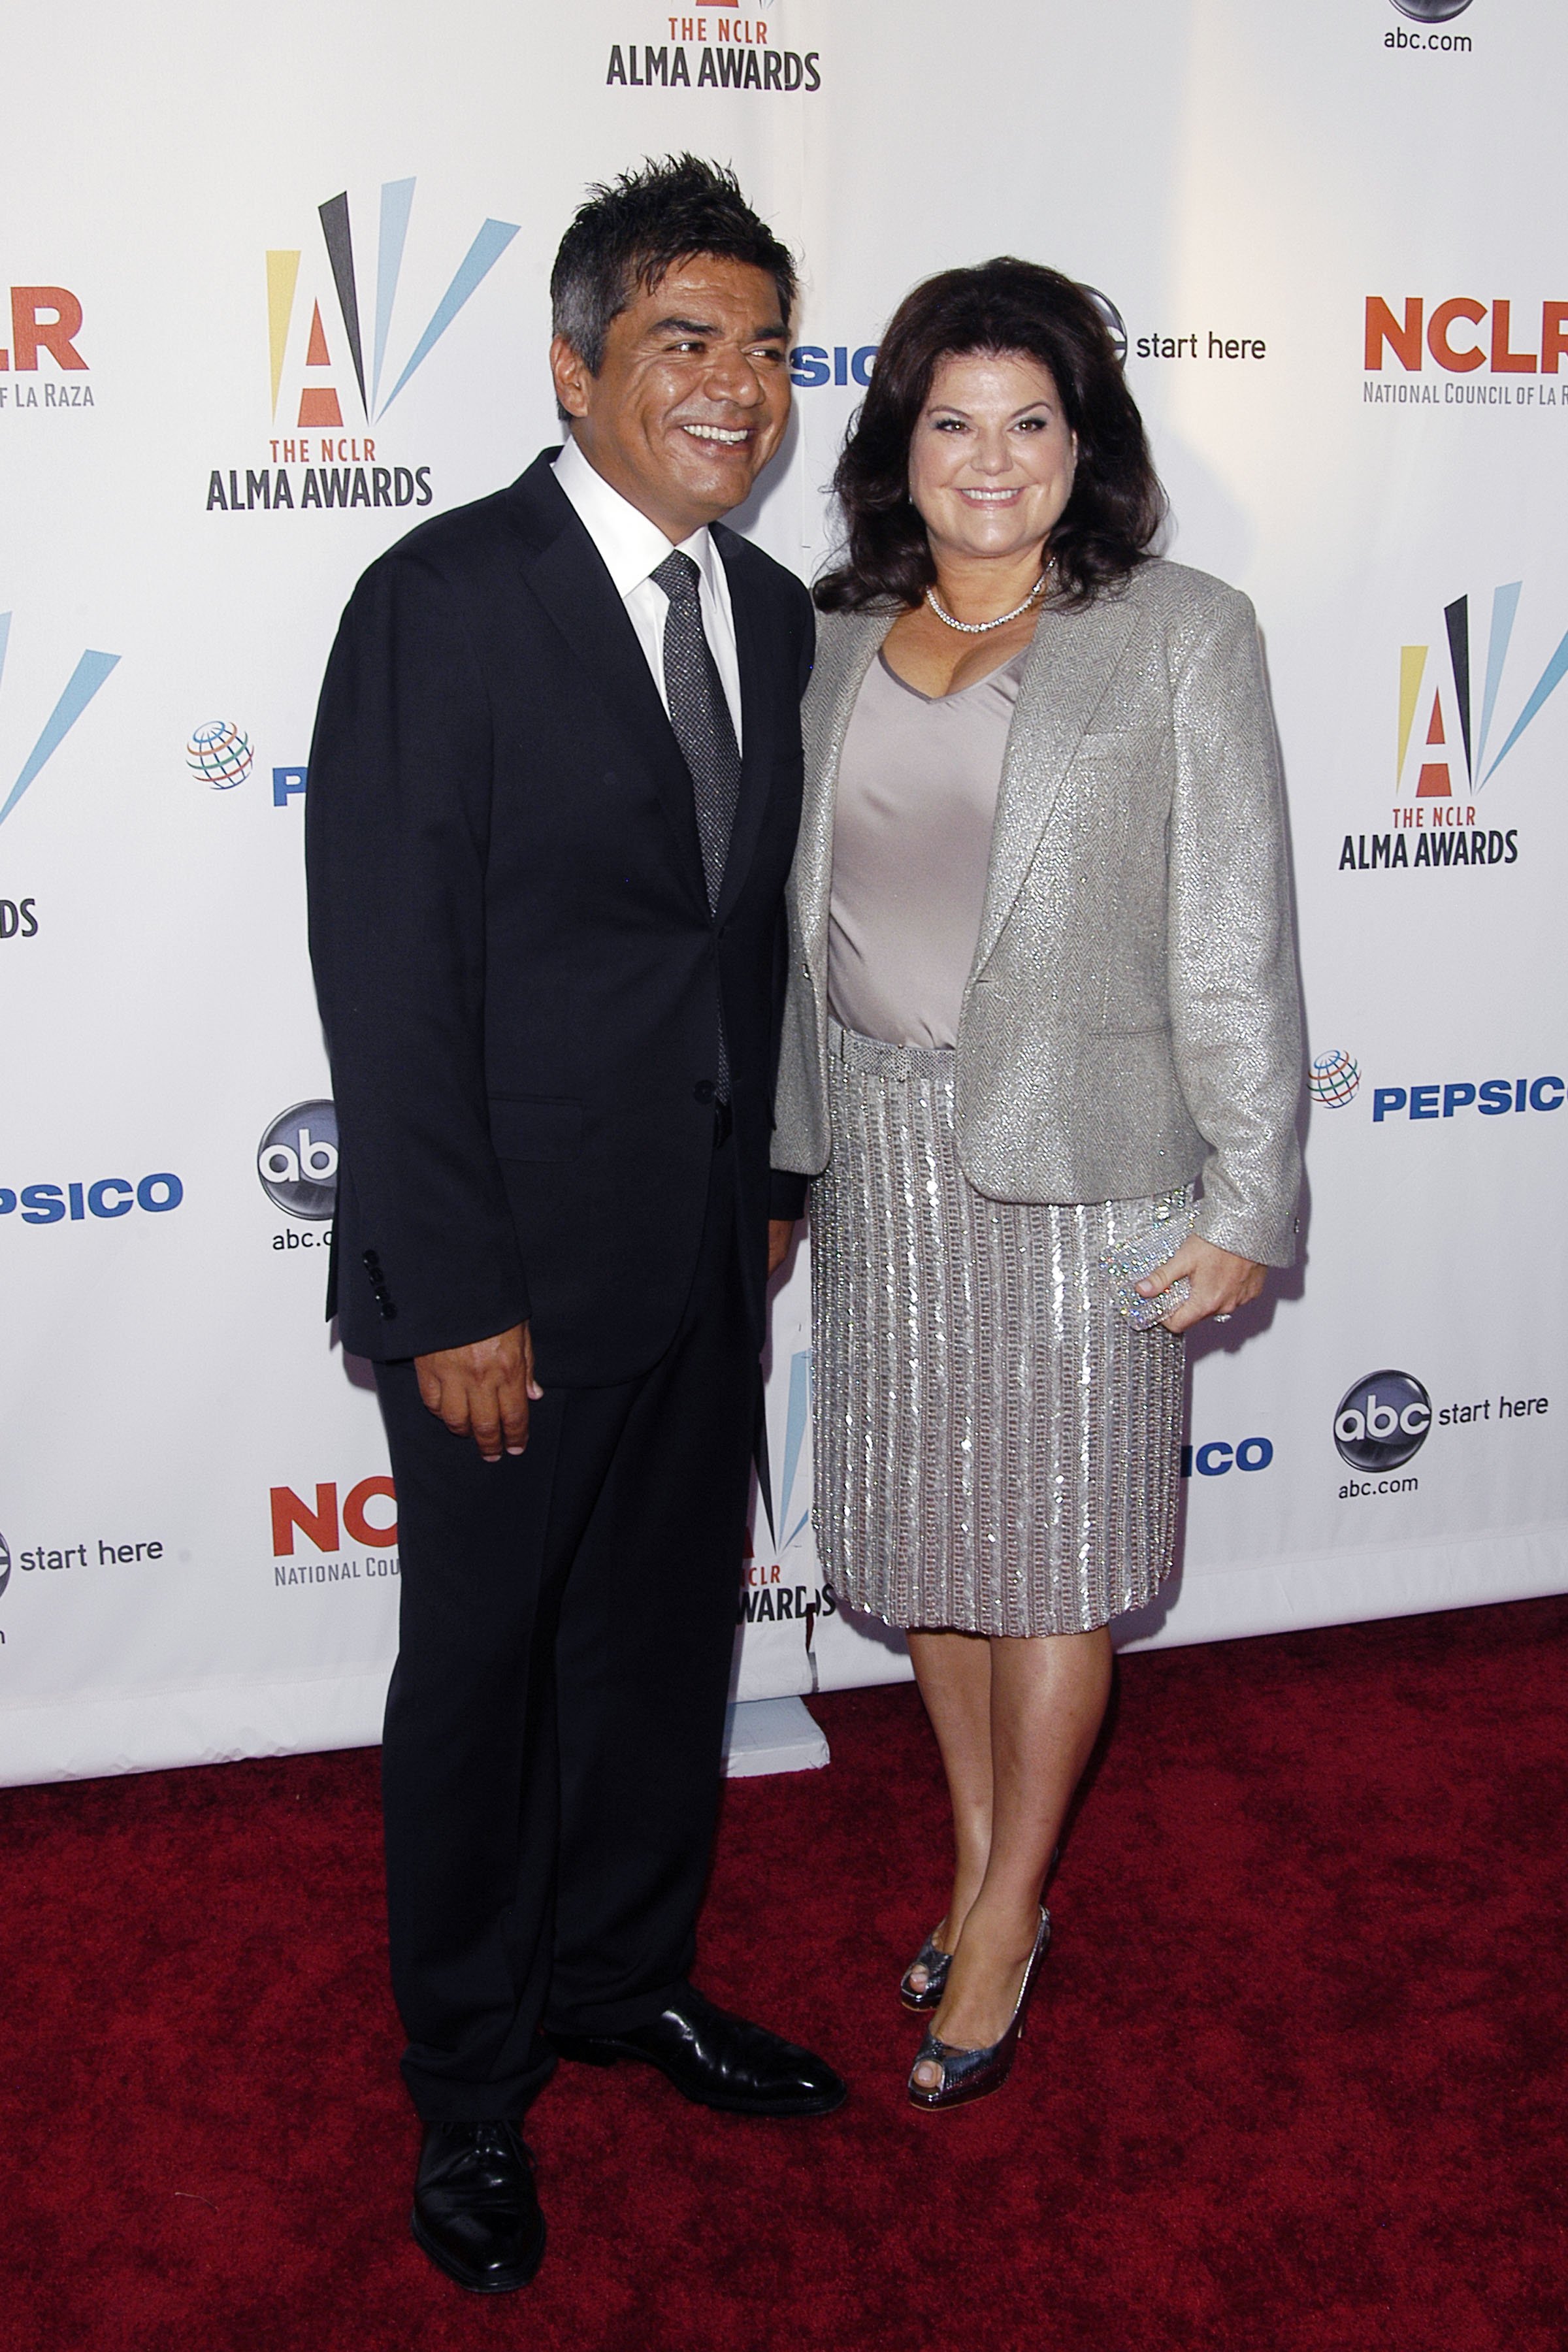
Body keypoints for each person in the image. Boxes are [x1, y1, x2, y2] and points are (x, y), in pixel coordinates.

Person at [305, 156, 842, 2296]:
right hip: (502, 1288)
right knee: (483, 1689)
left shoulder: (776, 612)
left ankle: (625, 1983)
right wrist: (454, 1292)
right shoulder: (443, 600)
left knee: (656, 1660)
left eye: (765, 348)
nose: (734, 388)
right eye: (683, 342)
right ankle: (470, 2092)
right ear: (574, 364)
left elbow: (753, 945)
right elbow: (389, 971)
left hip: (705, 1255)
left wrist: (780, 1184)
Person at [771, 259, 1301, 2112]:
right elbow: (784, 939)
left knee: (1058, 1562)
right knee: (932, 1555)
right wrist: (781, 1159)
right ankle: (984, 1858)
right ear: (898, 447)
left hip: (1089, 1177)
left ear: (1086, 449)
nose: (989, 461)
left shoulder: (1180, 633)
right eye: (952, 423)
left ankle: (1008, 1911)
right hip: (887, 1164)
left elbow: (1233, 929)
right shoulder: (830, 639)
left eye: (1029, 423)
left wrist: (1249, 1194)